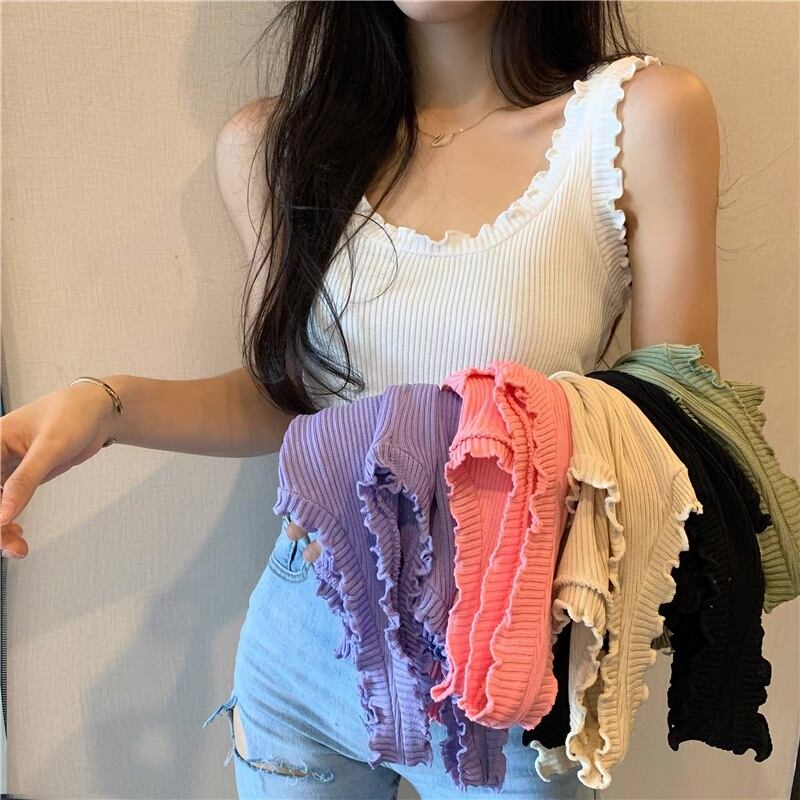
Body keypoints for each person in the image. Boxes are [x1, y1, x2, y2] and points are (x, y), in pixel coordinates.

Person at [0, 2, 722, 798]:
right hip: (305, 634)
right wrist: (104, 408)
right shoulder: (278, 146)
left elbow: (680, 430)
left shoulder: (635, 120)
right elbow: (292, 399)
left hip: (502, 650)